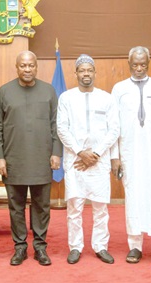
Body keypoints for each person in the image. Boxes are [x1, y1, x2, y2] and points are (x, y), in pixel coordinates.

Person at [0, 51, 62, 266]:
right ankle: (20, 247)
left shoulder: (49, 91)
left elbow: (56, 124)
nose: (27, 69)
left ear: (36, 66)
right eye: (23, 66)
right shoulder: (4, 92)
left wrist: (56, 152)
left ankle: (40, 247)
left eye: (31, 65)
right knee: (16, 206)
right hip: (13, 160)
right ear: (17, 67)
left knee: (41, 207)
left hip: (42, 159)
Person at [111, 46, 151, 265]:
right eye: (135, 65)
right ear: (128, 64)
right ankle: (135, 246)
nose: (139, 68)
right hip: (129, 152)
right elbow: (113, 125)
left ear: (148, 64)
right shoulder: (119, 89)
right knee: (133, 197)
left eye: (143, 65)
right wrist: (115, 156)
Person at [57, 54, 120, 264]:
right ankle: (75, 247)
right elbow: (61, 128)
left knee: (100, 208)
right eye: (82, 70)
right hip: (75, 160)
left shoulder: (106, 98)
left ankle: (100, 246)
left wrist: (96, 154)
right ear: (76, 73)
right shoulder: (66, 97)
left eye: (89, 70)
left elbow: (114, 130)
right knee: (74, 207)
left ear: (94, 73)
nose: (86, 74)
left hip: (99, 161)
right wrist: (80, 152)